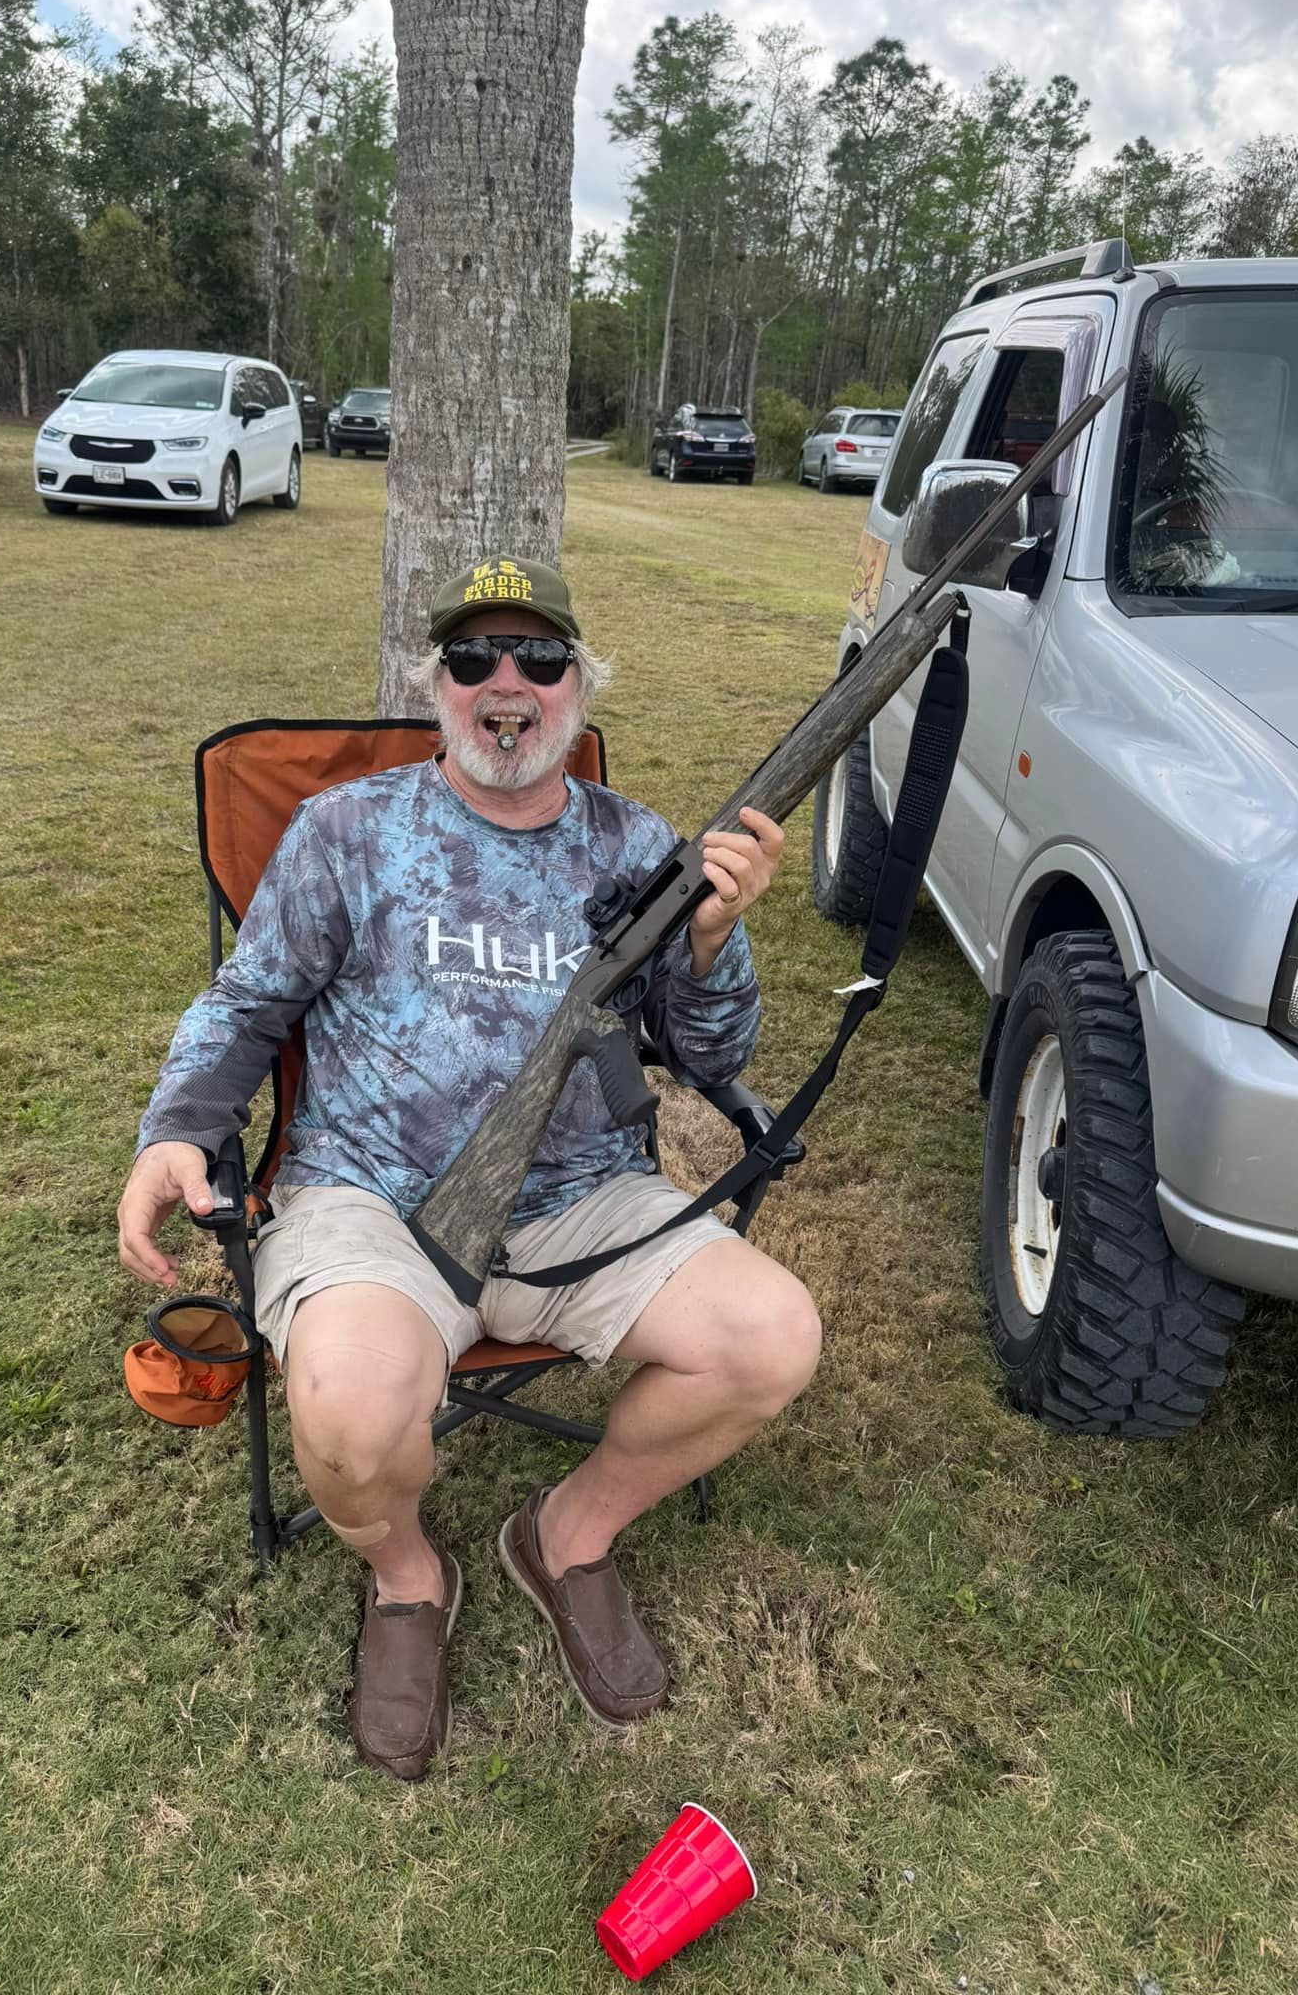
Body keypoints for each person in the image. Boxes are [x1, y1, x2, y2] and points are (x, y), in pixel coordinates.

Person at [117, 552, 823, 1781]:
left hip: (584, 1200)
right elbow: (247, 1001)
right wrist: (177, 1127)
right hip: (373, 1199)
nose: (509, 683)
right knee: (343, 1417)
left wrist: (715, 936)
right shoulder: (348, 829)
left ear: (579, 689)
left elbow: (712, 1050)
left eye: (541, 659)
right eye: (475, 658)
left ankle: (566, 1536)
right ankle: (408, 1575)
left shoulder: (640, 845)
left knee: (773, 1335)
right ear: (434, 686)